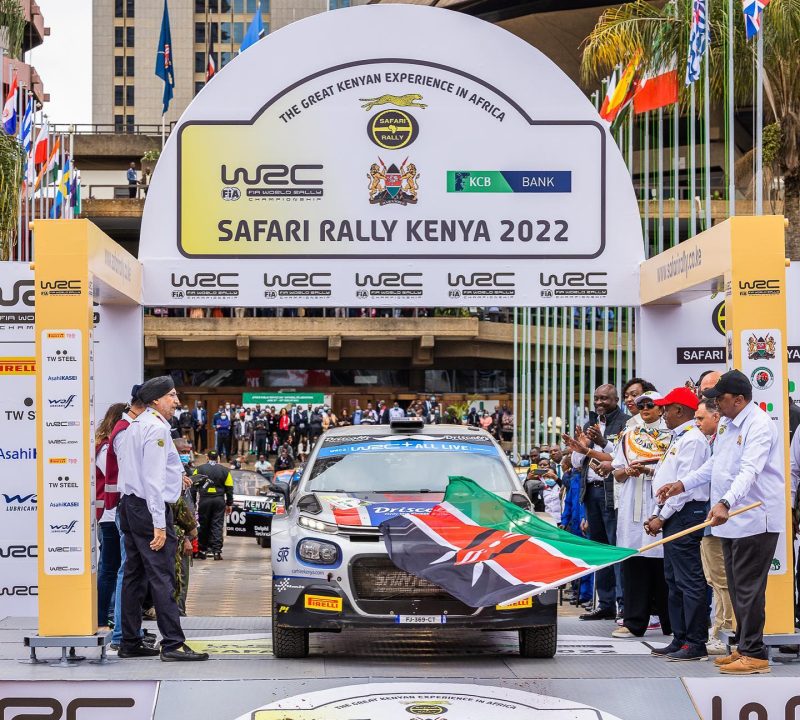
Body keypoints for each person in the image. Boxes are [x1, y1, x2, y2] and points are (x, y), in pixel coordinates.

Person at [658, 370, 784, 674]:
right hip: (730, 520)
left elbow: (749, 470)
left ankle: (755, 654)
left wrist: (726, 502)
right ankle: (744, 646)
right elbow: (716, 465)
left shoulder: (759, 425)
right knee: (736, 587)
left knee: (748, 589)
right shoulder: (728, 423)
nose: (716, 404)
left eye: (720, 399)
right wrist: (683, 484)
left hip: (754, 517)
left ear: (738, 399)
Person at [116, 376, 209, 662]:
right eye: (172, 395)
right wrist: (159, 523)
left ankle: (130, 641)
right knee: (162, 575)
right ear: (156, 400)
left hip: (130, 505)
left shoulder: (135, 425)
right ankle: (173, 644)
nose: (177, 401)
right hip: (149, 508)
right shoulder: (156, 428)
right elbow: (152, 481)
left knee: (134, 575)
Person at [644, 388, 711, 661]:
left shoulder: (692, 440)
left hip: (685, 512)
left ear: (680, 410)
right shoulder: (680, 437)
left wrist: (662, 516)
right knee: (673, 580)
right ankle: (680, 638)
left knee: (688, 580)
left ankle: (695, 643)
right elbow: (666, 479)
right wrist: (657, 512)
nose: (662, 414)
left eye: (666, 408)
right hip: (674, 513)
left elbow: (684, 487)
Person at [610, 391, 672, 639]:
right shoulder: (629, 435)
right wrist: (628, 471)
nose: (645, 408)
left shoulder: (673, 436)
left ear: (661, 408)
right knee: (635, 560)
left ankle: (670, 621)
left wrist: (649, 471)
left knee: (663, 560)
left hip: (660, 498)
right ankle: (634, 621)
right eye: (640, 405)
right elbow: (616, 473)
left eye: (650, 404)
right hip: (633, 501)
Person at [563, 384, 627, 620]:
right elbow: (577, 464)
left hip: (613, 494)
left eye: (605, 399)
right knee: (599, 550)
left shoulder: (625, 423)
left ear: (616, 400)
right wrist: (579, 448)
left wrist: (601, 441)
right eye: (597, 398)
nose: (599, 403)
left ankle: (622, 605)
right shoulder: (590, 424)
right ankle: (605, 604)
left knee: (615, 549)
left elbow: (622, 456)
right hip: (590, 493)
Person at [695, 397, 736, 655]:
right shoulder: (713, 441)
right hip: (708, 519)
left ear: (716, 416)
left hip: (721, 518)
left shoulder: (724, 440)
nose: (697, 423)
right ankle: (719, 627)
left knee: (722, 580)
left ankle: (726, 629)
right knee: (713, 579)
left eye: (701, 418)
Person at [95, 402, 128, 629]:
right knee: (110, 569)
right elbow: (118, 477)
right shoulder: (106, 448)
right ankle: (104, 616)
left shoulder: (105, 445)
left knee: (111, 568)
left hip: (110, 514)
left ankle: (106, 615)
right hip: (109, 516)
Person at [192, 450, 233, 561]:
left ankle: (202, 550)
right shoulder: (225, 470)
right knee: (217, 525)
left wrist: (193, 502)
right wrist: (229, 503)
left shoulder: (199, 469)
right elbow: (229, 488)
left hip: (204, 500)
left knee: (203, 525)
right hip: (219, 500)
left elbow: (193, 486)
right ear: (218, 458)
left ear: (207, 458)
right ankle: (216, 552)